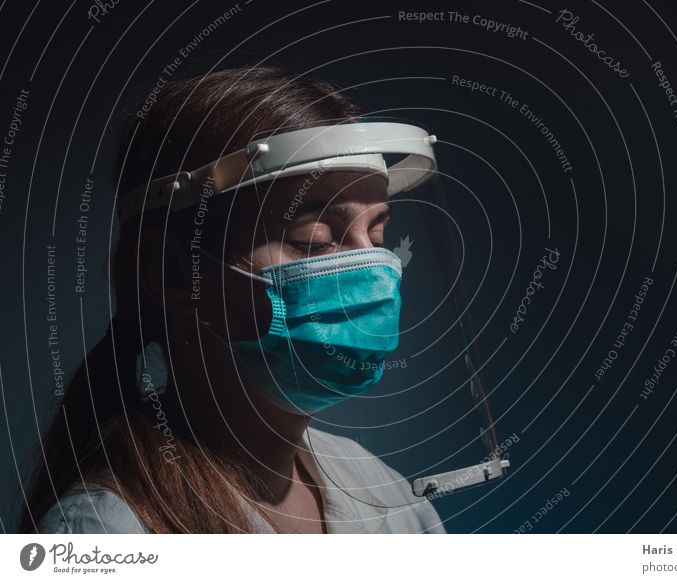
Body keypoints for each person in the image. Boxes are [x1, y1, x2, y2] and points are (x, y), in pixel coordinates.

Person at [19, 65, 445, 534]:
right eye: (316, 239)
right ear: (174, 271)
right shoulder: (106, 534)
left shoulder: (383, 494)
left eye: (378, 232)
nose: (374, 273)